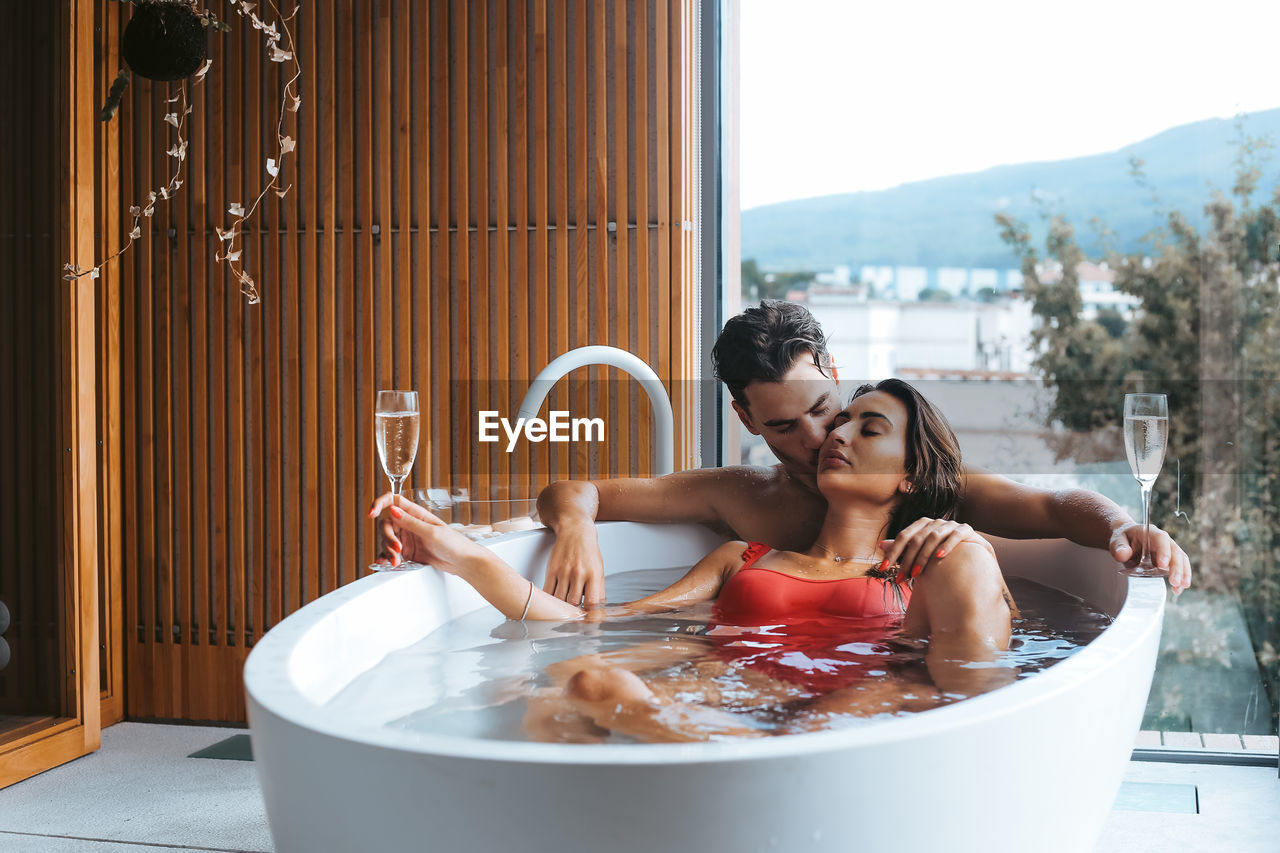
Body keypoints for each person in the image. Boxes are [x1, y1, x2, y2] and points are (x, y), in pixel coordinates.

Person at [370, 380, 1014, 743]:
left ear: (910, 476)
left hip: (844, 724)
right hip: (724, 706)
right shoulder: (743, 557)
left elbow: (976, 695)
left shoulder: (938, 560)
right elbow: (589, 622)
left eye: (867, 430)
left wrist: (858, 703)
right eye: (839, 421)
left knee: (592, 684)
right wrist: (463, 554)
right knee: (567, 688)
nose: (835, 436)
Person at [520, 300, 1192, 604]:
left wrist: (1125, 528)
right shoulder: (738, 496)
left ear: (833, 372)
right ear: (745, 417)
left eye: (821, 407)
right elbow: (576, 490)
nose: (816, 439)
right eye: (784, 427)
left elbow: (1053, 503)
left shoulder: (913, 474)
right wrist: (576, 523)